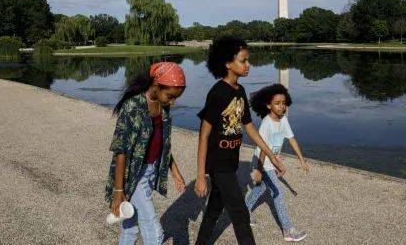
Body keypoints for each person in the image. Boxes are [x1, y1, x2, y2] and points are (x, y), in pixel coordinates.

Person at [194, 36, 285, 245]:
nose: (248, 65)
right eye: (243, 61)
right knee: (240, 213)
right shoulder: (217, 93)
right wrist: (200, 176)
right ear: (228, 64)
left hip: (231, 161)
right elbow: (204, 135)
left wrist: (272, 157)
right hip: (218, 164)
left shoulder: (241, 91)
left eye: (247, 60)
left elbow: (250, 128)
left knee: (214, 209)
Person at [106, 62, 187, 245]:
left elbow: (163, 144)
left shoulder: (162, 108)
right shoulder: (132, 107)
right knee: (155, 234)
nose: (172, 102)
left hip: (151, 172)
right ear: (157, 86)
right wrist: (119, 190)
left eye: (175, 98)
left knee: (130, 228)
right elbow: (120, 151)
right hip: (135, 174)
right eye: (171, 96)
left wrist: (175, 172)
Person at [245, 83, 308, 242]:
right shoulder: (266, 124)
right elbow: (261, 150)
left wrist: (302, 160)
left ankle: (242, 212)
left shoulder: (284, 120)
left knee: (259, 189)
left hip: (271, 161)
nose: (282, 107)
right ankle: (288, 230)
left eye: (284, 103)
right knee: (278, 192)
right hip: (262, 161)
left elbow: (291, 139)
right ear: (268, 105)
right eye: (277, 103)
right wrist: (259, 170)